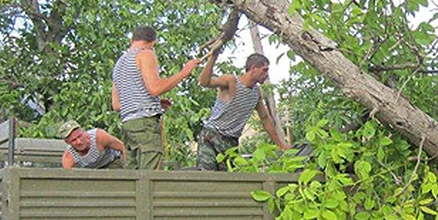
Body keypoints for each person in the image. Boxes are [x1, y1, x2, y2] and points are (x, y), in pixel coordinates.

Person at [112, 26, 201, 170]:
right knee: (150, 174)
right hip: (145, 123)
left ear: (132, 40)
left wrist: (152, 102)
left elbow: (116, 104)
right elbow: (155, 88)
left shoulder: (119, 64)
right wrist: (184, 72)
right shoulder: (145, 54)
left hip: (128, 124)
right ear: (153, 43)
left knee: (131, 175)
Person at [196, 50, 290, 171]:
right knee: (206, 178)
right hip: (212, 136)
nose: (266, 74)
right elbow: (204, 82)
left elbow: (265, 119)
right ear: (253, 68)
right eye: (264, 70)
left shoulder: (256, 93)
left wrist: (280, 145)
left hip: (231, 142)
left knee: (226, 181)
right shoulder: (230, 81)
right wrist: (213, 58)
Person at [58, 121, 126, 169]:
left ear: (83, 132)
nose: (79, 142)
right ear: (67, 142)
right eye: (74, 140)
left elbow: (123, 147)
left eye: (80, 136)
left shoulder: (99, 136)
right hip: (93, 171)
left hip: (112, 162)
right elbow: (68, 177)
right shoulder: (69, 156)